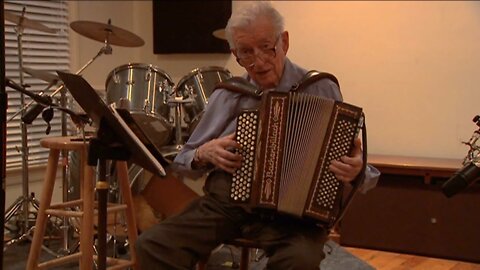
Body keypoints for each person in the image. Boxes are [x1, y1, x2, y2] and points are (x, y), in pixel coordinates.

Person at [136, 2, 379, 269]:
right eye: (246, 52)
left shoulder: (321, 88)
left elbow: (356, 165)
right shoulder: (230, 93)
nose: (258, 61)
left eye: (266, 47)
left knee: (299, 261)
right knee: (154, 244)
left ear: (284, 42)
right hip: (228, 207)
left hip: (296, 219)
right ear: (234, 54)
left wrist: (357, 171)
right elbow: (183, 159)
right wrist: (203, 153)